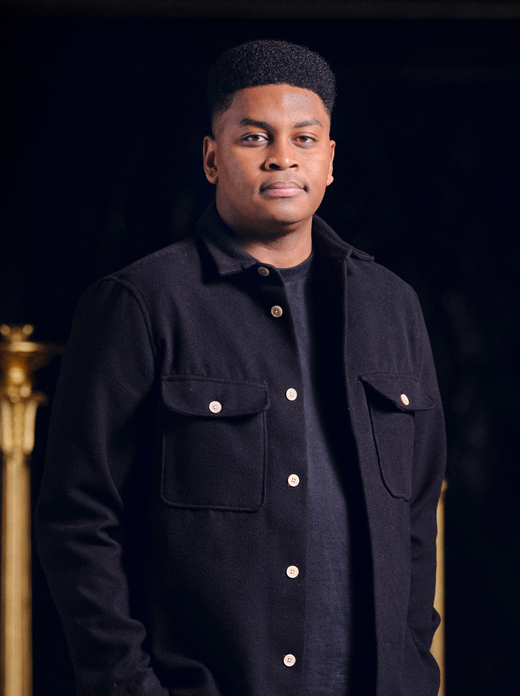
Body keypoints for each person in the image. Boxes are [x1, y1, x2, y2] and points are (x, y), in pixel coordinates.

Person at [36, 39, 446, 696]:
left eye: (303, 138)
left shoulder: (392, 306)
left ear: (330, 160)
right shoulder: (139, 304)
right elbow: (79, 520)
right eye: (255, 137)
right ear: (211, 158)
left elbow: (417, 515)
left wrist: (413, 670)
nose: (283, 156)